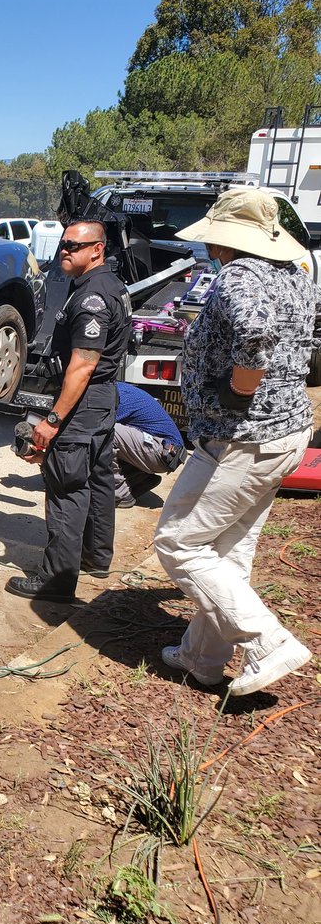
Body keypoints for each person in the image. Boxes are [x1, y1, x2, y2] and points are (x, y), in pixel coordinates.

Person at [154, 188, 321, 696]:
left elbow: (254, 334)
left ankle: (267, 642)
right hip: (286, 431)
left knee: (179, 544)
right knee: (227, 551)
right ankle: (202, 658)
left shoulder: (241, 276)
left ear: (229, 240)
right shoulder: (295, 276)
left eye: (215, 239)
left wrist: (237, 389)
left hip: (242, 439)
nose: (210, 248)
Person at [6, 220, 132, 603]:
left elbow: (83, 365)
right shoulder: (111, 286)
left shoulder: (92, 297)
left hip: (82, 401)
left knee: (66, 487)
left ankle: (56, 581)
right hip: (102, 401)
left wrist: (52, 419)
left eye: (73, 246)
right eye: (62, 244)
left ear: (96, 249)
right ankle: (96, 558)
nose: (64, 251)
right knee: (97, 478)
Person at [113, 381, 187, 509]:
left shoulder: (115, 394)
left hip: (163, 451)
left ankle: (120, 494)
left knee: (105, 432)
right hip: (164, 450)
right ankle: (139, 478)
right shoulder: (118, 388)